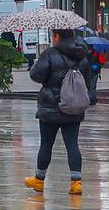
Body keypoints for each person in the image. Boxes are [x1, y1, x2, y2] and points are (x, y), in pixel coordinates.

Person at [24, 29, 90, 195]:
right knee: (72, 145)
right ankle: (76, 182)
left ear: (57, 36)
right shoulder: (82, 55)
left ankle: (39, 180)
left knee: (46, 144)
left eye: (54, 35)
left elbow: (36, 75)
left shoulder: (50, 53)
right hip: (73, 107)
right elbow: (87, 81)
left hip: (51, 107)